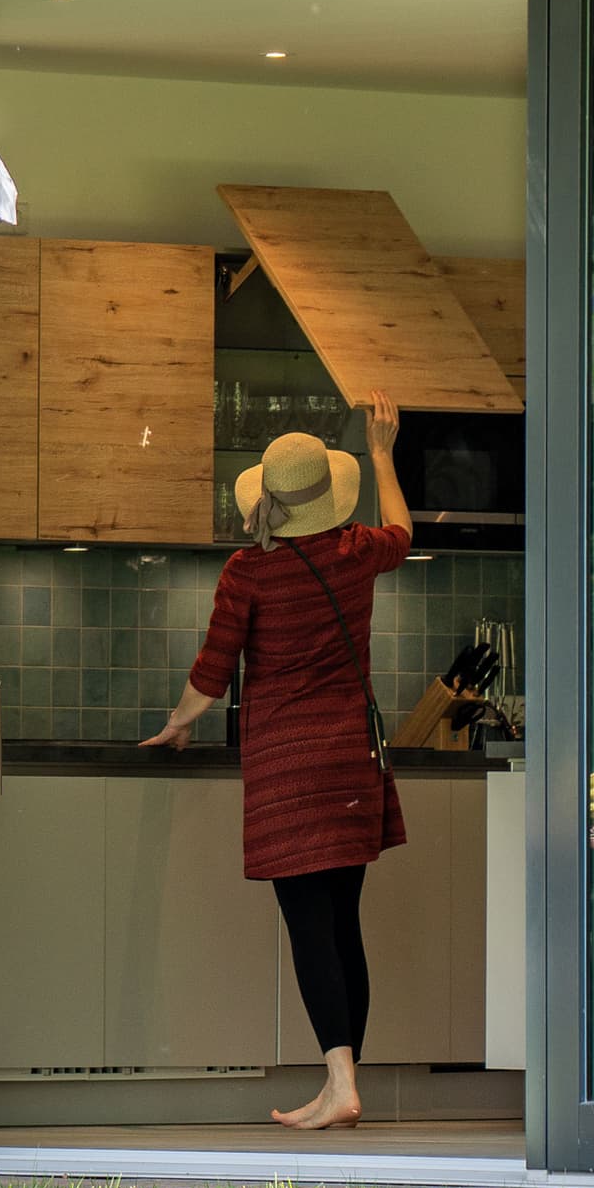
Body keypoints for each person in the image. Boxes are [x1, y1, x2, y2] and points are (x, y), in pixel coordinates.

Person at [139, 401, 412, 1131]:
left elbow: (211, 672)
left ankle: (340, 1084)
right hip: (351, 765)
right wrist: (382, 454)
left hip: (289, 775)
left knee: (309, 925)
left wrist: (177, 724)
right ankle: (341, 1084)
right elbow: (404, 532)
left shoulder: (249, 571)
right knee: (342, 923)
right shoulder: (357, 550)